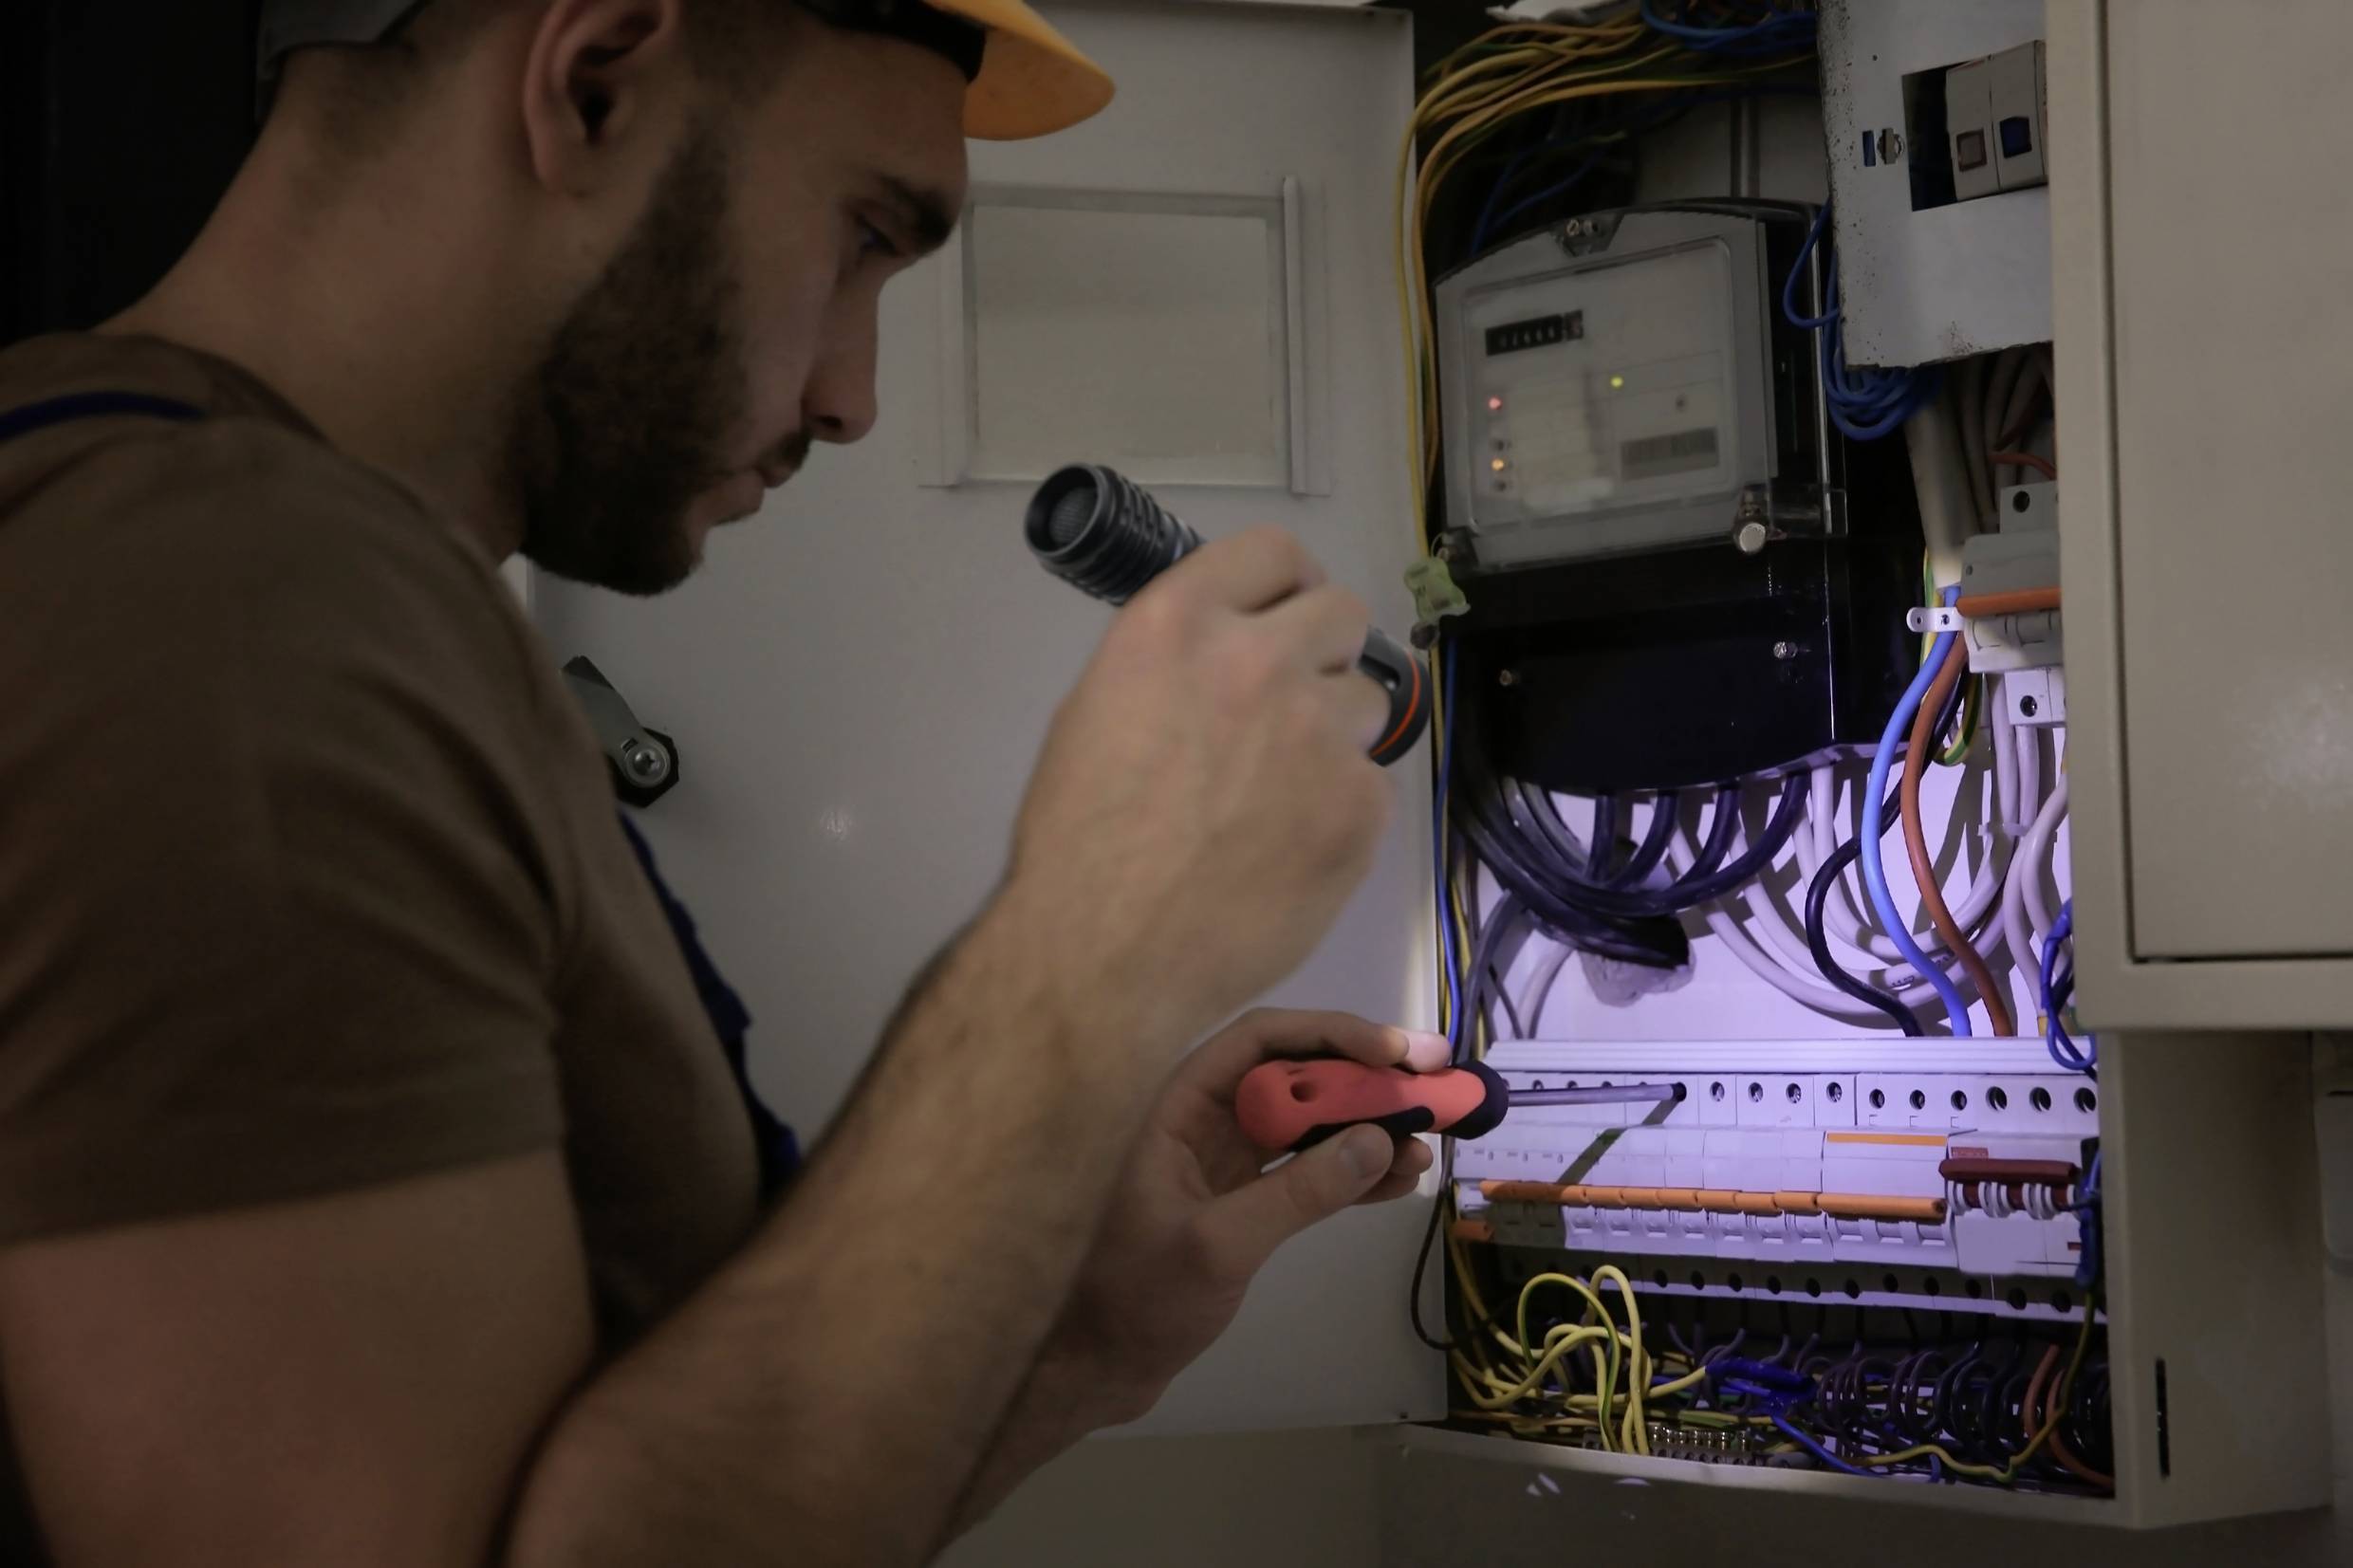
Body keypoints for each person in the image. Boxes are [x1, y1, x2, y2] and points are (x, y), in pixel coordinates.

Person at [0, 1, 1440, 1563]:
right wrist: (1083, 961)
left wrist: (1071, 1333)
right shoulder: (221, 613)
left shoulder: (321, 587)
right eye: (861, 235)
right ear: (598, 79)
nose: (852, 395)